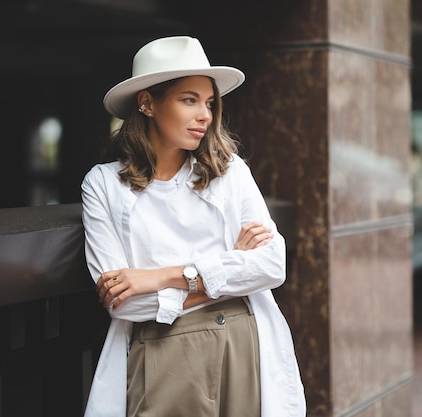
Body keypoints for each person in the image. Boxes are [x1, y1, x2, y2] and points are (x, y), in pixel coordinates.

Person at [81, 36, 306, 417]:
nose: (205, 114)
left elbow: (271, 265)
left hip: (242, 342)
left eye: (209, 103)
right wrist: (231, 268)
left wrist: (161, 277)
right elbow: (126, 301)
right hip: (160, 351)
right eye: (189, 100)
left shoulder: (228, 170)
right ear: (147, 103)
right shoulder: (102, 184)